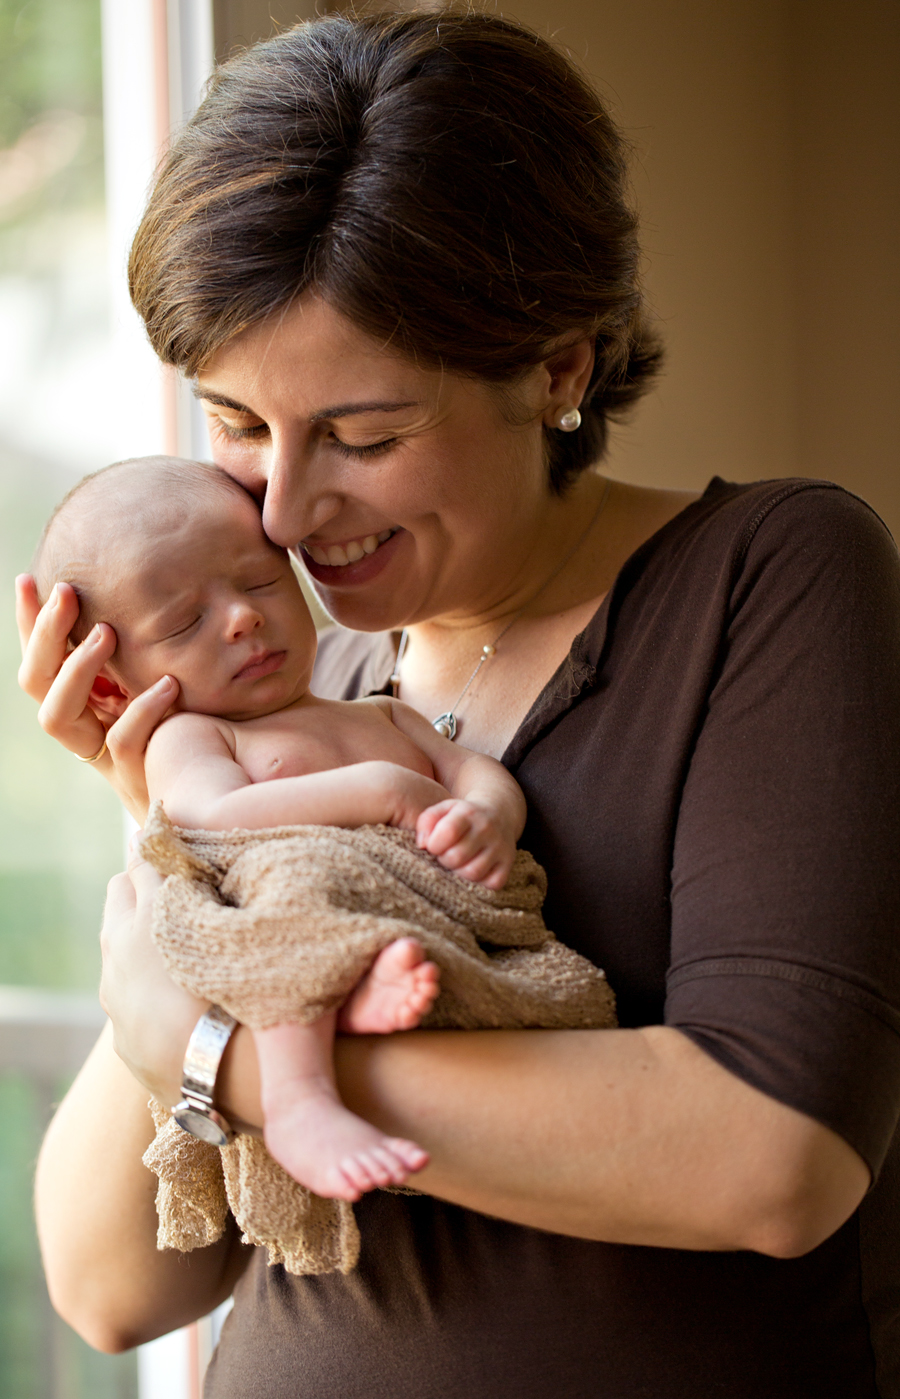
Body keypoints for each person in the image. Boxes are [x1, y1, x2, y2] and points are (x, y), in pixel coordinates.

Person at [17, 11, 900, 1397]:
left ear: (559, 366)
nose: (290, 511)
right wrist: (174, 835)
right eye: (239, 425)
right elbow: (112, 1283)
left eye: (362, 436)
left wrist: (227, 1053)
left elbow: (772, 1155)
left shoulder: (768, 579)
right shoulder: (298, 695)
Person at [33, 452, 533, 1201]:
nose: (243, 616)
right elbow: (213, 815)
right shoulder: (196, 740)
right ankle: (298, 1097)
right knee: (287, 882)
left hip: (415, 922)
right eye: (185, 621)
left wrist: (488, 812)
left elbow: (471, 771)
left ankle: (354, 1000)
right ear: (112, 681)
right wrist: (381, 791)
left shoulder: (379, 709)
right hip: (294, 916)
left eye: (262, 580)